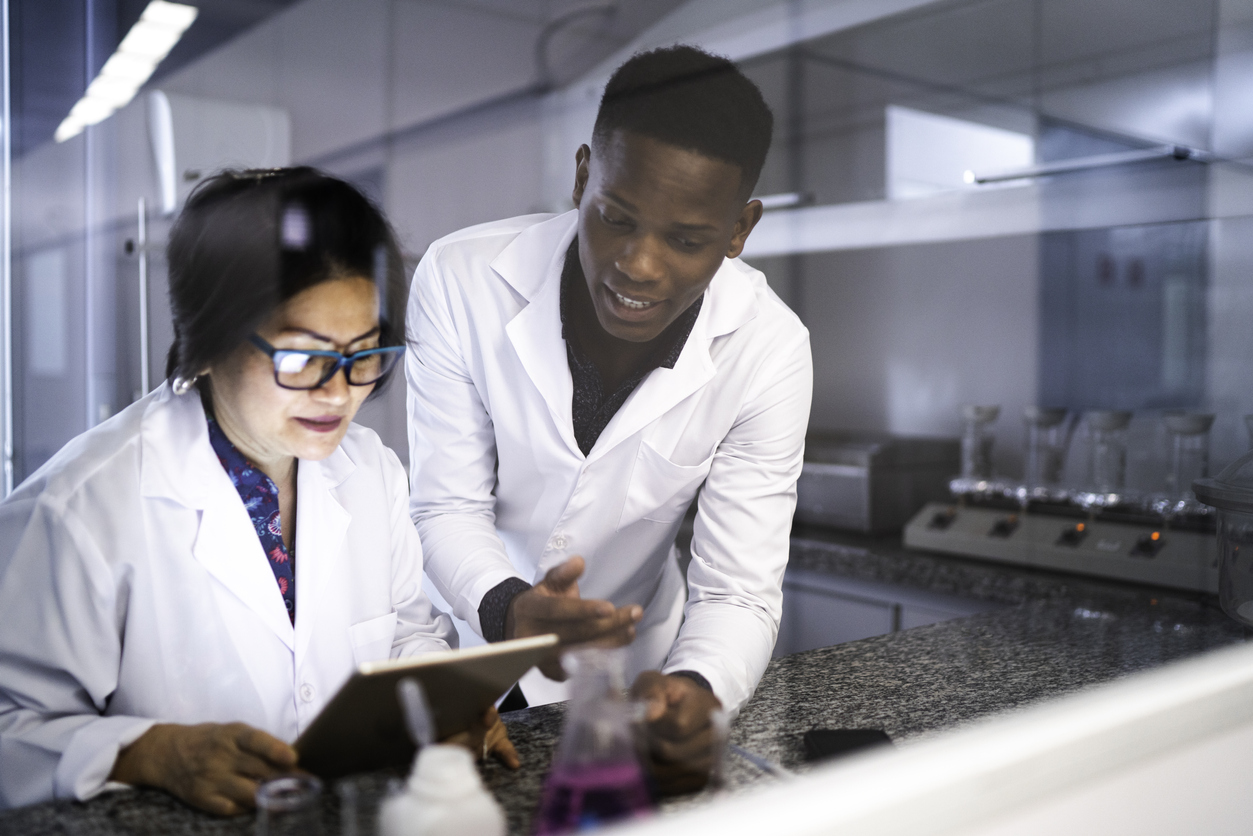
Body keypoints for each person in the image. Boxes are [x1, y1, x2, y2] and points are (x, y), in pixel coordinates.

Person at [0, 169, 515, 814]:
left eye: (364, 354)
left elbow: (407, 632)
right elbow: (10, 729)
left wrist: (441, 703)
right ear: (207, 342)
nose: (338, 394)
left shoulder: (369, 470)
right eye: (301, 358)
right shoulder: (80, 508)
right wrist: (149, 751)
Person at [407, 46, 812, 786]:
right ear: (582, 174)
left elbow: (737, 589)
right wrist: (506, 610)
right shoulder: (459, 277)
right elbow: (444, 505)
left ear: (739, 229)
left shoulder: (770, 347)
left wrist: (699, 690)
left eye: (687, 240)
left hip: (629, 686)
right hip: (464, 643)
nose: (639, 265)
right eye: (616, 218)